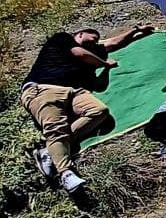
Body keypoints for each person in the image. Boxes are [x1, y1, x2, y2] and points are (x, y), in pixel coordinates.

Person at [20, 25, 154, 193]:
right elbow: (82, 53)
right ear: (80, 34)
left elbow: (109, 55)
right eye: (93, 38)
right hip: (44, 88)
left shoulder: (88, 67)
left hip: (74, 93)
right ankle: (65, 173)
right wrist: (104, 63)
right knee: (55, 129)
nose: (96, 42)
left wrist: (135, 32)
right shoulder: (62, 40)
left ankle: (49, 151)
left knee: (99, 111)